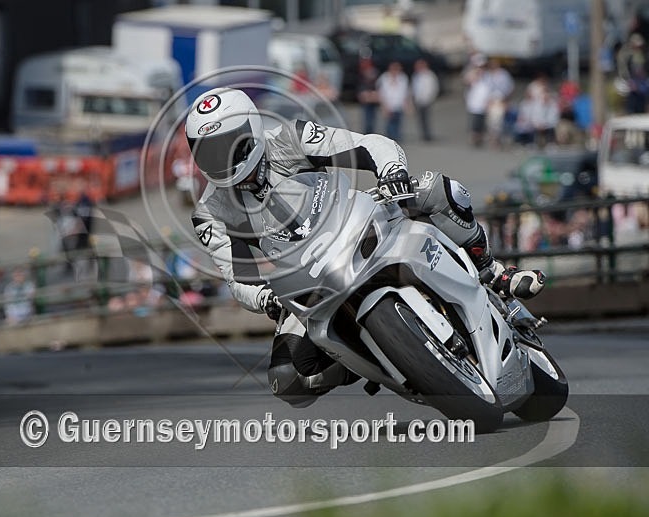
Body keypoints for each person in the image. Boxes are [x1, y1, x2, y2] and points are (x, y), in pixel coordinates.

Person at [186, 87, 546, 408]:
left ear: (252, 130)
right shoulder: (210, 212)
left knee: (439, 189)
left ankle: (493, 272)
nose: (222, 162)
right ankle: (377, 356)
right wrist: (266, 298)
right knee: (289, 379)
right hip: (306, 277)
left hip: (357, 219)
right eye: (209, 154)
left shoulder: (291, 139)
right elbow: (239, 278)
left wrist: (390, 170)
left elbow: (367, 144)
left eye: (229, 148)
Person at [376, 61, 409, 142]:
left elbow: (406, 92)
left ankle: (397, 139)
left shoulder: (403, 78)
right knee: (389, 124)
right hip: (388, 105)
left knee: (398, 123)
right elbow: (381, 92)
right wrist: (384, 106)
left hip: (398, 105)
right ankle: (390, 139)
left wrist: (407, 104)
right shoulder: (384, 78)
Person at [617, 33, 648, 114]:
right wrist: (628, 80)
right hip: (631, 85)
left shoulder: (644, 55)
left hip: (642, 86)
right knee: (632, 106)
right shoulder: (627, 55)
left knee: (641, 105)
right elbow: (623, 68)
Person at [411, 59, 439, 142]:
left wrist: (430, 98)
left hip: (427, 100)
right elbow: (414, 87)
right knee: (420, 118)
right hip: (418, 100)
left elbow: (433, 87)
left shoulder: (429, 75)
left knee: (426, 118)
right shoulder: (416, 75)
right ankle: (423, 134)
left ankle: (428, 134)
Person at [356, 59, 380, 134]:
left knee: (372, 118)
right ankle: (368, 131)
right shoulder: (362, 77)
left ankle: (370, 131)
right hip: (366, 101)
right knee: (367, 118)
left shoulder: (374, 76)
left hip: (372, 101)